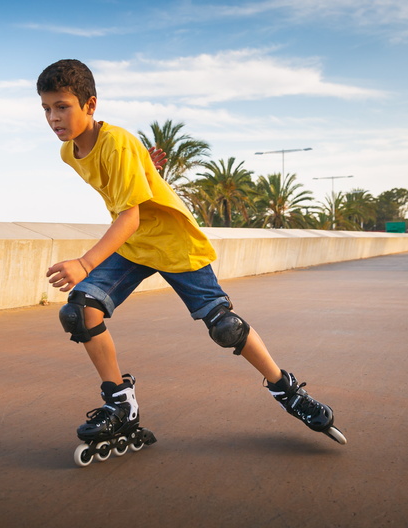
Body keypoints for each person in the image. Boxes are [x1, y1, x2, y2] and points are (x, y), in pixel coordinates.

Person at [36, 59, 345, 454]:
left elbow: (130, 215)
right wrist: (144, 168)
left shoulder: (117, 141)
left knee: (225, 326)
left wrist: (84, 263)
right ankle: (120, 404)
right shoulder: (70, 151)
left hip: (173, 242)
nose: (53, 118)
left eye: (62, 107)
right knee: (81, 311)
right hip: (135, 245)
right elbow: (126, 194)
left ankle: (287, 391)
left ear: (90, 104)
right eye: (46, 108)